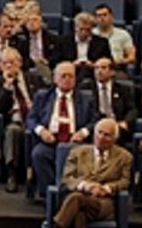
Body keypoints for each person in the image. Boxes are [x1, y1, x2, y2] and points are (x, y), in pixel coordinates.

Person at [28, 118, 132, 228]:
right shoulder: (77, 152)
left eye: (106, 135)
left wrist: (106, 188)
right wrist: (86, 186)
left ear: (114, 139)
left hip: (103, 203)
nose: (101, 137)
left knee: (75, 199)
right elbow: (67, 178)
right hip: (80, 198)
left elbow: (125, 181)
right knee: (78, 215)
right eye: (99, 133)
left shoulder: (124, 157)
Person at [27, 62, 97, 200]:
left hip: (75, 142)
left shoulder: (86, 98)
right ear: (55, 79)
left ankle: (67, 194)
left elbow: (95, 121)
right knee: (38, 154)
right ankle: (50, 194)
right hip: (50, 141)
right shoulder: (43, 96)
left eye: (70, 76)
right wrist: (42, 131)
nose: (67, 79)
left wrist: (83, 132)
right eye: (63, 76)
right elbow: (31, 119)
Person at [0, 49, 47, 192]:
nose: (9, 66)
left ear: (20, 63)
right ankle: (11, 175)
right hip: (16, 122)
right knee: (12, 131)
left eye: (12, 62)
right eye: (5, 63)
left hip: (37, 121)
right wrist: (7, 87)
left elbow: (46, 101)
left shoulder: (34, 78)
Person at [85, 57, 137, 144]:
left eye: (103, 68)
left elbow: (132, 109)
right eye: (96, 68)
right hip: (95, 126)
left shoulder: (123, 89)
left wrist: (126, 122)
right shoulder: (87, 88)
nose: (99, 71)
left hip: (116, 125)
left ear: (112, 72)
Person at [57, 12, 112, 83]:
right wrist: (71, 64)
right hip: (70, 72)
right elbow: (56, 61)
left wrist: (94, 65)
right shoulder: (63, 41)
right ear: (75, 28)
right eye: (81, 29)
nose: (84, 32)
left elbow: (108, 61)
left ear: (92, 28)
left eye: (88, 30)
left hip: (93, 72)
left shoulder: (102, 42)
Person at [14, 12, 61, 78]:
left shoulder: (53, 38)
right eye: (28, 20)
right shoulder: (20, 38)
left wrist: (47, 61)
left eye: (35, 20)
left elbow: (56, 56)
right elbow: (19, 56)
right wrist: (33, 62)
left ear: (41, 23)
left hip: (45, 66)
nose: (31, 23)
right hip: (27, 68)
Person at [92, 3, 135, 74]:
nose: (102, 18)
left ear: (111, 17)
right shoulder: (91, 34)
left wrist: (119, 61)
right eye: (99, 16)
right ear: (95, 19)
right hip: (95, 69)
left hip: (116, 69)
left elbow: (132, 57)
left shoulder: (123, 34)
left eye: (105, 15)